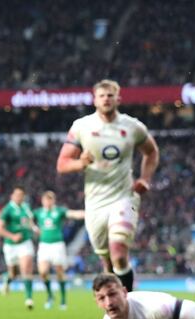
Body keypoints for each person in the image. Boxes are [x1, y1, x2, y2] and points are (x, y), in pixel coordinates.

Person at [56, 79, 160, 291]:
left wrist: (145, 178)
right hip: (95, 202)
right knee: (107, 263)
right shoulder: (82, 127)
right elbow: (62, 164)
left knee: (119, 253)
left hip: (124, 197)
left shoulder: (133, 126)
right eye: (102, 96)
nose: (106, 99)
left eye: (110, 95)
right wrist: (80, 163)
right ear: (94, 100)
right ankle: (116, 303)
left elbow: (151, 152)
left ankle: (129, 303)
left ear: (118, 99)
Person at [33, 191, 84, 310]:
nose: (48, 201)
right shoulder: (38, 212)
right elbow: (26, 218)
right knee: (43, 272)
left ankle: (63, 300)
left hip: (57, 245)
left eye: (50, 199)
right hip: (44, 245)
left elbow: (73, 214)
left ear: (54, 200)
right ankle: (50, 295)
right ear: (42, 201)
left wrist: (86, 213)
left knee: (59, 272)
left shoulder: (59, 211)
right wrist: (34, 228)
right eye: (46, 199)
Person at [0, 186, 37, 309]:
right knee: (13, 273)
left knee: (26, 268)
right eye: (17, 195)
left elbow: (29, 222)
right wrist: (12, 236)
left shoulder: (26, 207)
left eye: (21, 195)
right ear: (12, 196)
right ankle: (7, 279)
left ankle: (29, 298)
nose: (19, 197)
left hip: (25, 242)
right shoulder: (7, 209)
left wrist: (34, 228)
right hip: (11, 245)